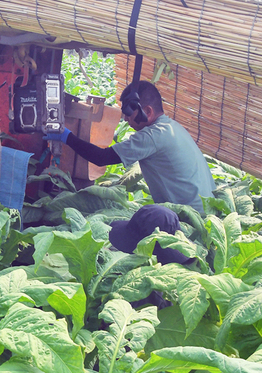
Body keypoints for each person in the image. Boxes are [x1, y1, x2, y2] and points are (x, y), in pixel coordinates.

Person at [45, 79, 215, 266]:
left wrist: (66, 136)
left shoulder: (153, 136)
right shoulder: (172, 128)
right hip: (207, 217)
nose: (125, 119)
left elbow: (102, 158)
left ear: (147, 112)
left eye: (128, 113)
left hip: (188, 224)